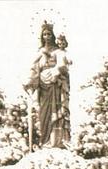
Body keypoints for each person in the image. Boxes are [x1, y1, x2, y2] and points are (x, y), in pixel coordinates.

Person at [24, 20, 71, 148]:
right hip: (43, 89)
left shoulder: (58, 51)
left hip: (56, 87)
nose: (47, 37)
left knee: (57, 113)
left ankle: (57, 141)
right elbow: (34, 69)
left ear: (53, 36)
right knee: (43, 115)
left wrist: (56, 71)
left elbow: (64, 67)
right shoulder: (39, 52)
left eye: (49, 34)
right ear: (41, 36)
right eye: (44, 34)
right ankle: (45, 141)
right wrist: (29, 82)